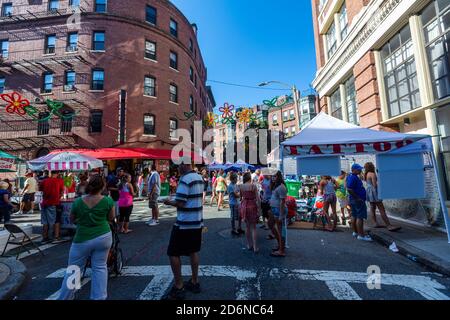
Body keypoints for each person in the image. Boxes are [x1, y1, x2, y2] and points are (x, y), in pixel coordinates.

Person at [57, 175, 115, 300]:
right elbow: (111, 218)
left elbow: (72, 219)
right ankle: (98, 297)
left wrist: (82, 222)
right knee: (100, 267)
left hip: (82, 237)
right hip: (103, 236)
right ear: (103, 186)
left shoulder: (78, 202)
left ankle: (66, 297)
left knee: (74, 269)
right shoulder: (108, 201)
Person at [163, 159, 204, 300]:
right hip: (197, 221)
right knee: (193, 251)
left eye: (179, 165)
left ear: (185, 164)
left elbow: (181, 202)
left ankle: (179, 286)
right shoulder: (199, 177)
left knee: (173, 252)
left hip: (184, 223)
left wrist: (168, 202)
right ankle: (194, 281)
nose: (178, 168)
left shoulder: (185, 179)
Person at [364, 162, 401, 232]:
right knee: (381, 209)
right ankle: (389, 225)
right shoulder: (372, 174)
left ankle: (375, 223)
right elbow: (375, 185)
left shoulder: (366, 175)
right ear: (372, 167)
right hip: (374, 192)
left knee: (372, 208)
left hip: (369, 192)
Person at [347, 164, 372, 241]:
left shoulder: (352, 176)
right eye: (358, 169)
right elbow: (349, 189)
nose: (360, 170)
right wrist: (357, 198)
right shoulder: (353, 177)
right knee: (359, 217)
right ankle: (361, 235)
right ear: (354, 169)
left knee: (354, 215)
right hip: (357, 200)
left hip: (353, 200)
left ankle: (356, 232)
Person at [239, 172, 261, 252]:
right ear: (250, 178)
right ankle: (255, 247)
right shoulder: (253, 186)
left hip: (244, 206)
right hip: (252, 205)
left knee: (247, 227)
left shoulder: (241, 186)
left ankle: (249, 245)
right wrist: (259, 209)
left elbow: (241, 197)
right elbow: (258, 198)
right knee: (254, 227)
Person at [40, 171, 64, 244]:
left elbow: (40, 190)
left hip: (44, 203)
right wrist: (58, 196)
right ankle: (55, 237)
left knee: (45, 222)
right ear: (57, 174)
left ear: (51, 174)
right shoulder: (60, 181)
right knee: (54, 221)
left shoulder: (44, 181)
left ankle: (45, 238)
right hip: (53, 202)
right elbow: (62, 192)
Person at [269, 171, 288, 257]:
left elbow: (282, 202)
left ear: (279, 177)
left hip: (278, 210)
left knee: (281, 231)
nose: (273, 178)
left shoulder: (281, 187)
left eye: (275, 176)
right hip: (274, 209)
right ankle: (280, 244)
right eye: (272, 176)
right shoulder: (276, 185)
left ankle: (281, 250)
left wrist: (281, 215)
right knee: (270, 224)